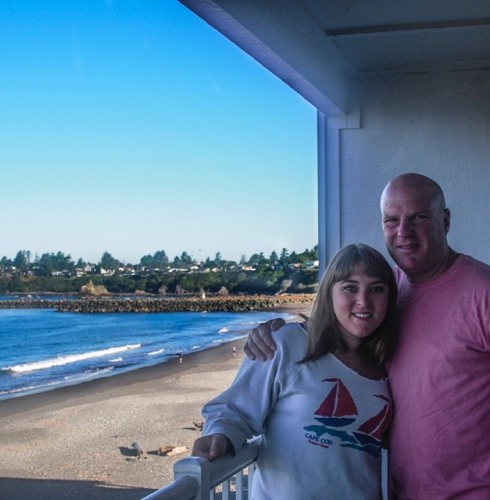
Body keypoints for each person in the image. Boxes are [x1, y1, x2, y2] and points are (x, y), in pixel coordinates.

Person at [245, 173, 490, 499]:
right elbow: (350, 326)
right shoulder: (391, 288)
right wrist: (281, 333)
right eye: (392, 220)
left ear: (444, 221)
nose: (404, 232)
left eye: (419, 217)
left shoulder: (481, 291)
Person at [192, 243, 397, 499]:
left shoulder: (388, 366)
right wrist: (220, 434)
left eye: (377, 289)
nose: (363, 301)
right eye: (350, 287)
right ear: (329, 294)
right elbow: (234, 410)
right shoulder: (285, 343)